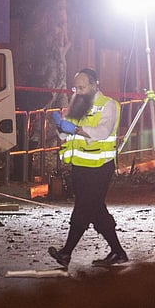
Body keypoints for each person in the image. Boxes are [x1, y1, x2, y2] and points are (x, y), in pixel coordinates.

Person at [48, 68, 127, 268]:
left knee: (83, 208)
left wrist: (75, 129)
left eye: (82, 87)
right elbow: (64, 135)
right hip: (80, 166)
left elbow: (102, 132)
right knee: (95, 209)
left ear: (94, 85)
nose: (78, 92)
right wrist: (60, 125)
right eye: (75, 88)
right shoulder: (76, 103)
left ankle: (66, 253)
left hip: (100, 166)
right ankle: (118, 253)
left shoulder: (108, 105)